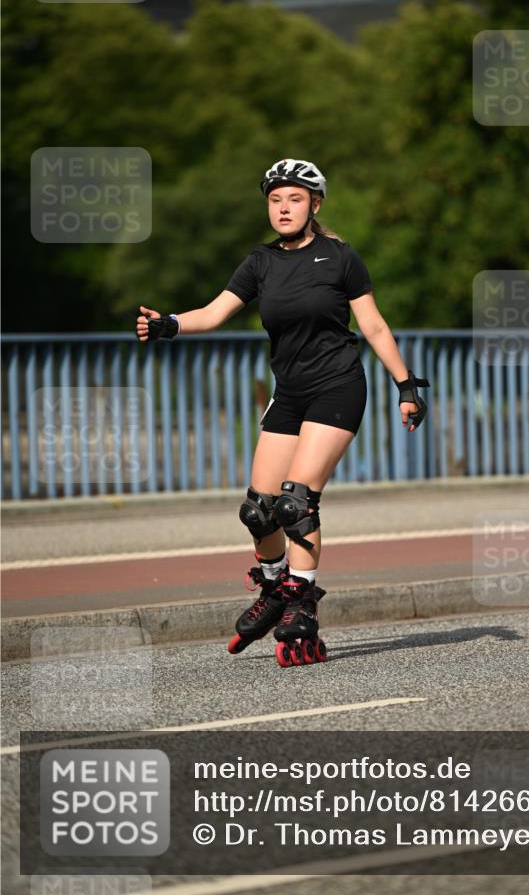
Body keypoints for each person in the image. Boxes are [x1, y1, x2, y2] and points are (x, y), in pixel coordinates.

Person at [136, 158, 429, 667]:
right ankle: (275, 589)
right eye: (275, 200)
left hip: (337, 387)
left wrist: (405, 385)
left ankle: (303, 605)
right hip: (290, 393)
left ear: (315, 204)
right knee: (259, 511)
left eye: (295, 199)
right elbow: (214, 313)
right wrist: (169, 324)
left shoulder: (340, 258)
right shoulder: (260, 262)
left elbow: (375, 327)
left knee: (297, 503)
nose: (284, 208)